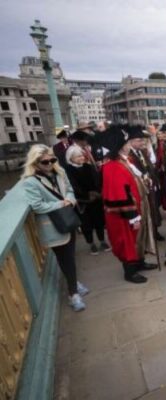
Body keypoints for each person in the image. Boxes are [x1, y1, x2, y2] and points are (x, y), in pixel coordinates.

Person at [21, 144, 87, 311]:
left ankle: (74, 284)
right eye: (45, 162)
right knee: (65, 258)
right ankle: (73, 294)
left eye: (52, 160)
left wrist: (70, 200)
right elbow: (37, 206)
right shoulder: (30, 182)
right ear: (35, 163)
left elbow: (70, 190)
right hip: (52, 226)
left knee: (69, 257)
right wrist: (60, 203)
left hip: (68, 220)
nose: (50, 164)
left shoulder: (60, 173)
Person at [101, 125, 158, 284]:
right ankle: (130, 271)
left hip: (136, 207)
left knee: (137, 238)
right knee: (128, 241)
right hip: (124, 215)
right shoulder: (112, 166)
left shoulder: (125, 161)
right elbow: (118, 194)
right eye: (126, 144)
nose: (129, 146)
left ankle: (139, 262)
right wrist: (132, 216)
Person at [65, 145, 110, 255]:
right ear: (70, 158)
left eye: (81, 156)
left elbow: (97, 180)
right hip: (82, 202)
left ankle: (102, 241)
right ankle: (91, 244)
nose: (81, 158)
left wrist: (97, 193)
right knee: (86, 225)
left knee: (99, 221)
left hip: (96, 200)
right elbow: (72, 186)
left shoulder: (88, 167)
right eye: (77, 157)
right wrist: (87, 194)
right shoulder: (68, 171)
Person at [128, 130, 164, 241]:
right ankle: (146, 235)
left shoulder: (142, 151)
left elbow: (150, 167)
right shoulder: (130, 155)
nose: (142, 142)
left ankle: (154, 231)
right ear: (131, 141)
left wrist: (155, 181)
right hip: (141, 187)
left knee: (153, 209)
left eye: (143, 140)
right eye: (139, 140)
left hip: (150, 185)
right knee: (145, 211)